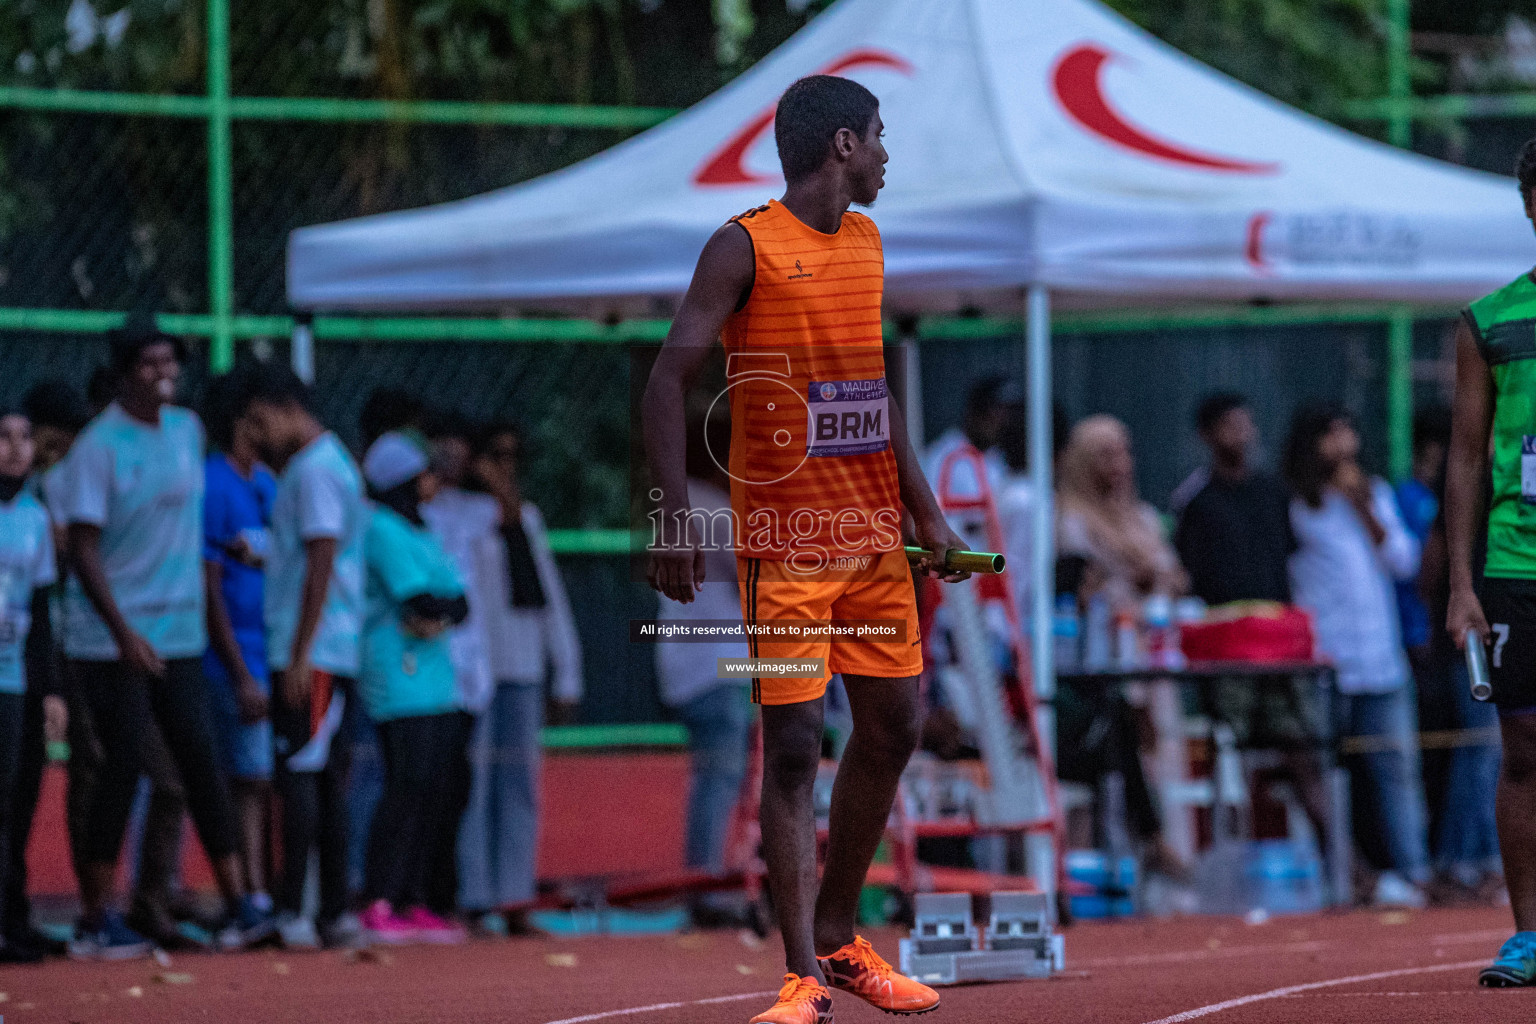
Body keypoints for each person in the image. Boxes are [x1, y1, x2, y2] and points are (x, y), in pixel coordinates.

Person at [644, 75, 967, 1024]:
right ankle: (800, 977)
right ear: (839, 146)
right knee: (791, 746)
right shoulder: (740, 245)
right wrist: (672, 517)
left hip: (871, 544)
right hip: (781, 550)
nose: (884, 154)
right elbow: (668, 382)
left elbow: (873, 394)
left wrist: (929, 515)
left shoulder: (866, 242)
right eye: (877, 137)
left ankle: (838, 929)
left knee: (897, 726)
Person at [55, 316, 270, 958]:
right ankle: (97, 914)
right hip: (113, 638)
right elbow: (85, 551)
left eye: (169, 360)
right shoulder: (99, 447)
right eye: (149, 363)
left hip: (179, 632)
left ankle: (240, 903)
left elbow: (187, 524)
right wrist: (122, 632)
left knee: (199, 758)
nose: (164, 372)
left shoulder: (187, 430)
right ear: (124, 372)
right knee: (121, 766)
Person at [1445, 139, 1536, 985]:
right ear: (1531, 204)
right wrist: (1462, 586)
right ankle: (1529, 935)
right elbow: (1466, 457)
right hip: (1517, 564)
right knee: (1525, 749)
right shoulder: (1490, 321)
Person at [234, 362, 365, 950]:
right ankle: (331, 910)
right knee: (320, 777)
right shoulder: (321, 466)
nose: (257, 437)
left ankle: (299, 910)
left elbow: (320, 563)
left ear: (288, 407)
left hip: (314, 649)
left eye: (261, 421)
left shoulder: (313, 472)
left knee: (303, 777)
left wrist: (299, 654)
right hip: (326, 645)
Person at [1172, 394, 1332, 865]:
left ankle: (1340, 862)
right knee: (1229, 751)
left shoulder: (1274, 492)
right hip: (1228, 653)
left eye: (1246, 425)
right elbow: (1190, 576)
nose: (1241, 435)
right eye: (1229, 426)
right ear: (1207, 435)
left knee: (1302, 747)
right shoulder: (1195, 501)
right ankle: (1227, 865)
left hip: (1281, 648)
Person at [1283, 403, 1429, 909]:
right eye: (1332, 434)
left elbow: (1403, 561)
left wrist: (1365, 507)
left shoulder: (1376, 494)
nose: (1344, 445)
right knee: (1328, 773)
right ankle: (1340, 876)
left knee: (1397, 769)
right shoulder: (1297, 504)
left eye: (1349, 432)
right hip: (1328, 657)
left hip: (1380, 654)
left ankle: (1415, 874)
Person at [453, 420, 582, 935]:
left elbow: (549, 598)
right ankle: (477, 899)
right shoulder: (459, 515)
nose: (505, 469)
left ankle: (515, 898)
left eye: (512, 459)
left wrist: (565, 671)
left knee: (520, 787)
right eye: (495, 457)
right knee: (477, 785)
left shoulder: (527, 519)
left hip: (523, 669)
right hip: (476, 674)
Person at [357, 431, 471, 944]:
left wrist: (437, 612)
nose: (434, 480)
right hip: (397, 678)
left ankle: (412, 898)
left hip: (436, 681)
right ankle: (380, 897)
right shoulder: (381, 529)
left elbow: (458, 604)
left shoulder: (422, 530)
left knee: (433, 791)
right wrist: (437, 611)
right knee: (404, 787)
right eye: (425, 472)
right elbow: (424, 602)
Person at [655, 412, 752, 928]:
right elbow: (757, 563)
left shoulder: (682, 503)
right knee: (719, 779)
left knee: (720, 778)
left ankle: (712, 880)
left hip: (699, 664)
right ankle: (706, 887)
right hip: (713, 666)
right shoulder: (710, 507)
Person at [200, 375, 278, 919]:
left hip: (268, 650)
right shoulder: (212, 484)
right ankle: (245, 893)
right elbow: (209, 587)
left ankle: (255, 889)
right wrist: (239, 671)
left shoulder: (268, 484)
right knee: (242, 778)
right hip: (233, 659)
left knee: (259, 778)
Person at [0, 407, 58, 962]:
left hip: (13, 679)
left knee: (16, 802)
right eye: (3, 438)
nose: (16, 448)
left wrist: (52, 690)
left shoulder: (35, 519)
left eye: (24, 437)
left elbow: (40, 612)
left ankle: (13, 916)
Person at [1058, 415, 1187, 609]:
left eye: (1124, 453)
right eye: (1106, 455)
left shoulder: (1144, 517)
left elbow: (1178, 579)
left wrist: (1156, 580)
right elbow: (1083, 590)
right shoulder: (1069, 521)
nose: (1120, 465)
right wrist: (1130, 582)